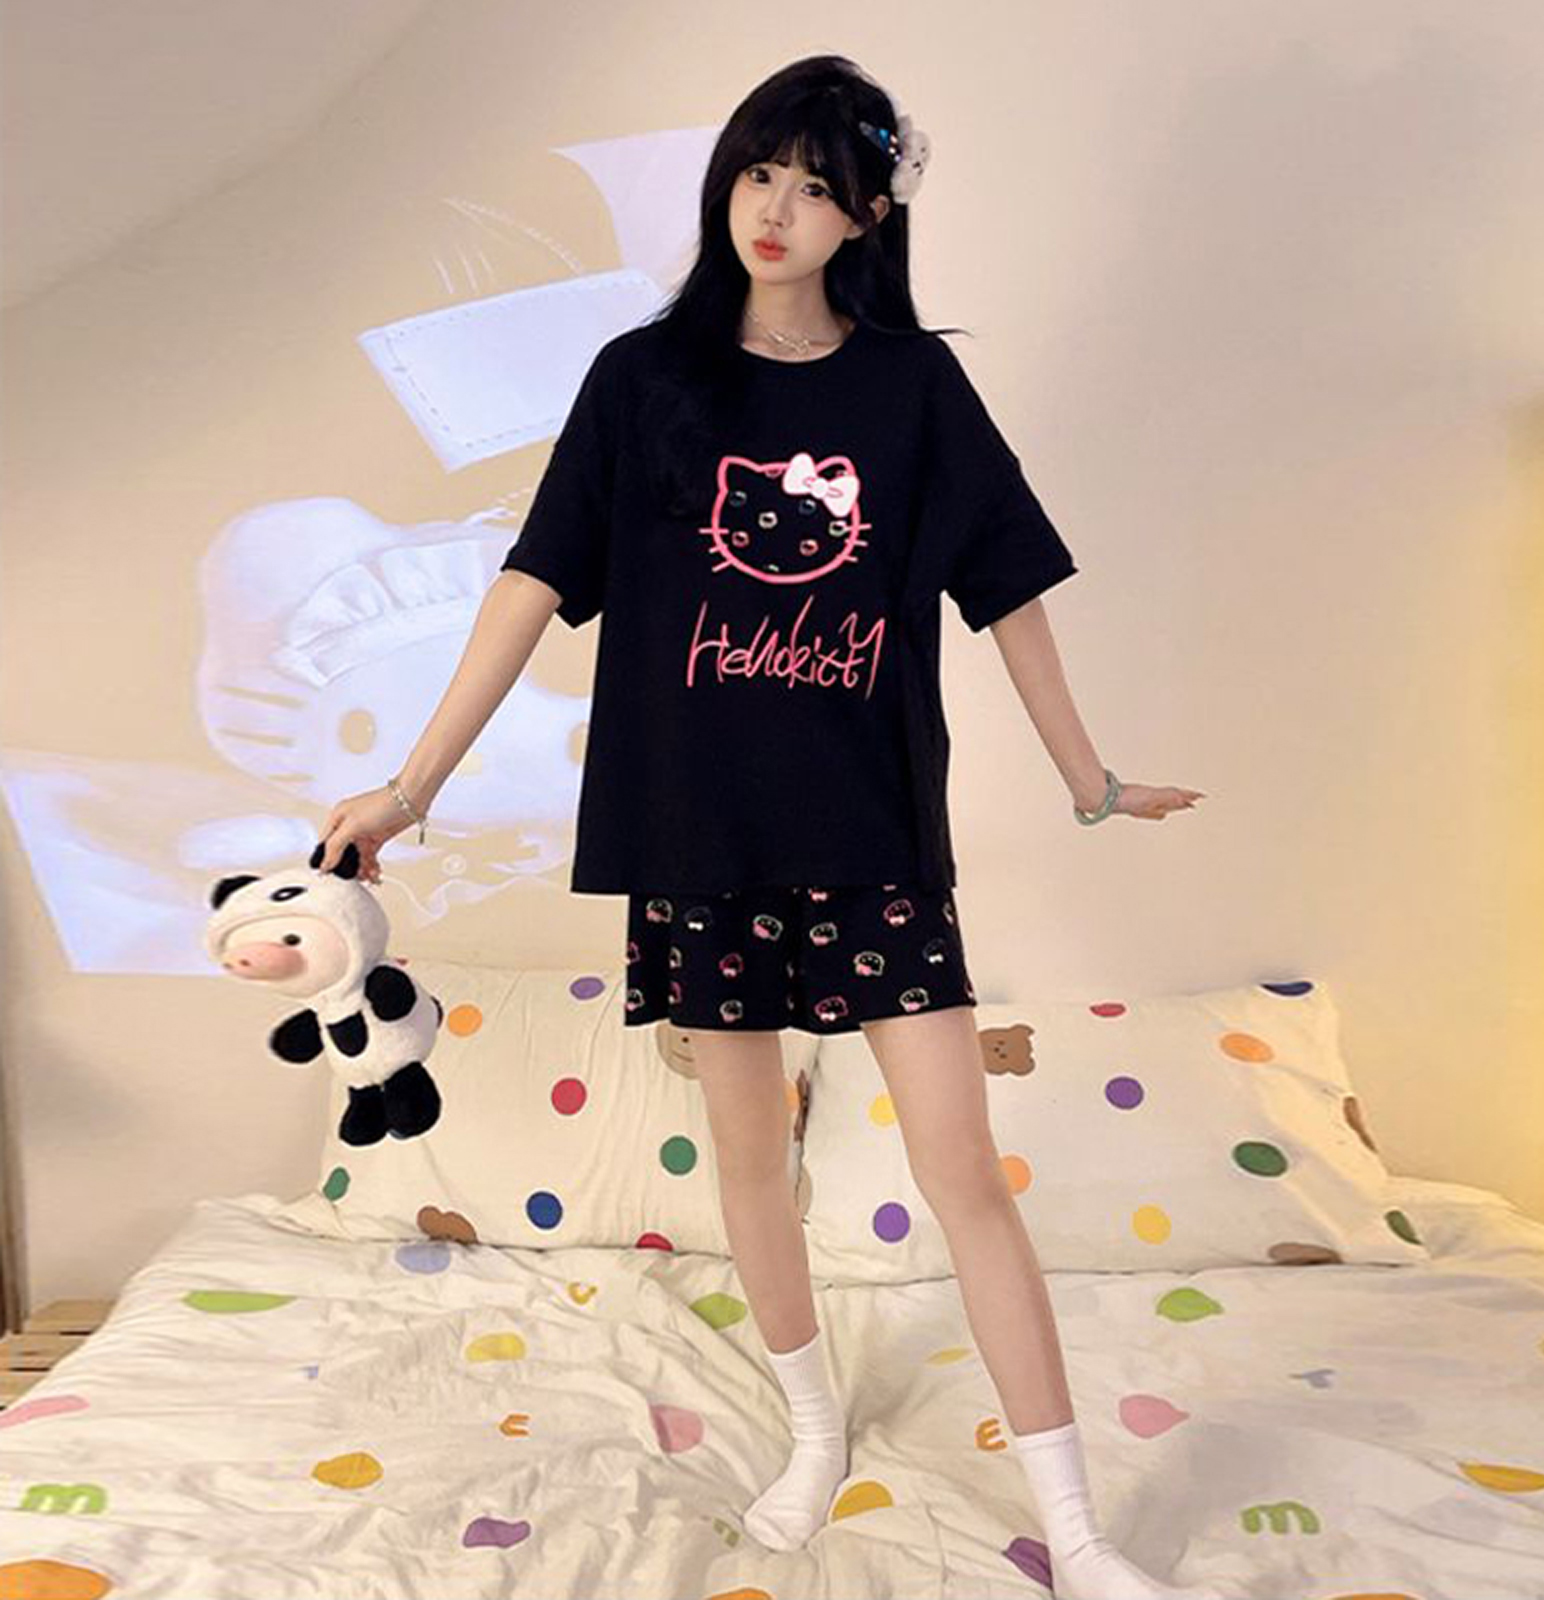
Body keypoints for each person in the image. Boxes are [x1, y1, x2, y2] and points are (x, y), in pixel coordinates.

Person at [315, 53, 1215, 1600]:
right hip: (699, 834)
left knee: (962, 1163)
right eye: (755, 173)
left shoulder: (912, 388)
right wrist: (410, 787)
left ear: (868, 213)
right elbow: (533, 581)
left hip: (870, 833)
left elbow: (1009, 591)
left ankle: (1074, 1527)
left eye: (812, 184)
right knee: (751, 1157)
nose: (776, 209)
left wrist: (1088, 776)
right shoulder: (643, 380)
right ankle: (811, 1435)